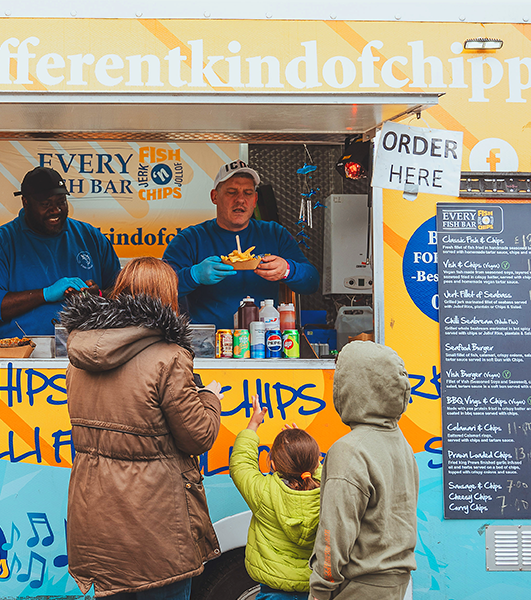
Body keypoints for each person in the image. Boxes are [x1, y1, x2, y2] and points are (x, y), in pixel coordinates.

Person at [59, 257, 224, 599]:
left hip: (95, 516)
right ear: (167, 299)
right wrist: (210, 397)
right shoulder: (170, 357)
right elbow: (198, 436)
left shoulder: (80, 354)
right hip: (154, 524)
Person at [309, 341, 418, 600]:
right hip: (396, 584)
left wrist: (319, 591)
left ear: (353, 386)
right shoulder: (401, 442)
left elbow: (333, 535)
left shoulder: (349, 450)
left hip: (359, 587)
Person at [162, 159, 319, 330]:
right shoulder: (190, 239)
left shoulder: (275, 234)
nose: (240, 200)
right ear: (214, 196)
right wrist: (193, 275)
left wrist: (288, 269)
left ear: (255, 199)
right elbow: (157, 290)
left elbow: (312, 282)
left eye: (248, 193)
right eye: (231, 192)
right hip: (206, 344)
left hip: (263, 343)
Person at [0, 166, 121, 340]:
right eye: (46, 204)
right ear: (26, 202)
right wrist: (44, 294)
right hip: (18, 357)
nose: (55, 210)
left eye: (61, 201)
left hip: (88, 353)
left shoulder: (91, 238)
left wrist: (98, 296)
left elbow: (123, 294)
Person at [230, 395, 321, 600]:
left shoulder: (264, 493)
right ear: (315, 464)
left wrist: (254, 423)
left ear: (272, 463)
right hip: (315, 590)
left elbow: (241, 464)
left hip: (274, 592)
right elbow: (316, 470)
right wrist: (302, 447)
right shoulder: (327, 492)